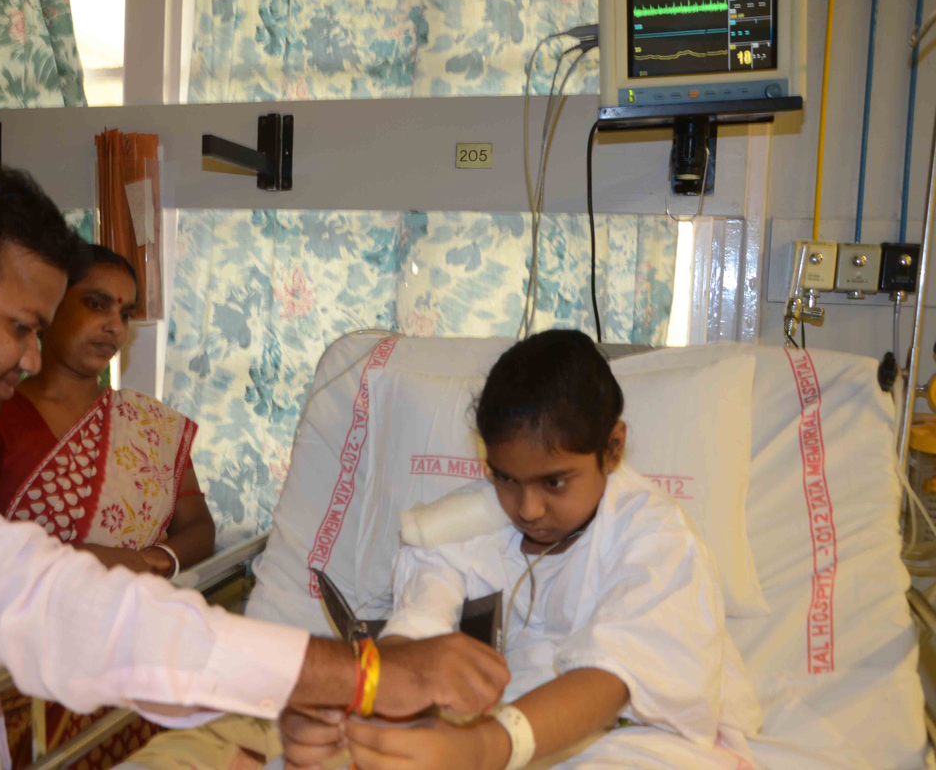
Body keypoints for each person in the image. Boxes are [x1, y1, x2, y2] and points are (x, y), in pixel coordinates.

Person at [0, 157, 510, 770]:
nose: (33, 356)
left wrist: (274, 682)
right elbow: (59, 611)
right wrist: (367, 673)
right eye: (20, 326)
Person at [281, 330, 762, 770]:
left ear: (613, 449)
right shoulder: (457, 530)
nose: (528, 509)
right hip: (497, 728)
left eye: (554, 482)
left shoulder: (657, 540)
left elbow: (613, 679)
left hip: (633, 733)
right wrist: (354, 704)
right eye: (505, 478)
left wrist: (481, 749)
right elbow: (414, 640)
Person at [0, 244, 216, 768]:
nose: (114, 325)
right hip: (29, 684)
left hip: (136, 675)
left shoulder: (150, 427)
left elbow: (199, 527)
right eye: (96, 304)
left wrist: (152, 560)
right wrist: (77, 563)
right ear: (49, 306)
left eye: (126, 313)